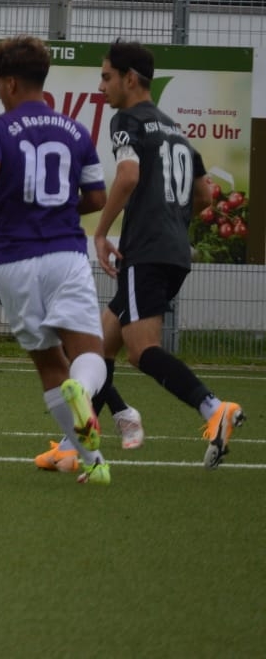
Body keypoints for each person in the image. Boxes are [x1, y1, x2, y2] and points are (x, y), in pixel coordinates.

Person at [0, 35, 112, 485]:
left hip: (11, 260)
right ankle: (83, 394)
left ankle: (92, 461)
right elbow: (97, 197)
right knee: (88, 352)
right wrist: (60, 210)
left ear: (11, 83)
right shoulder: (76, 131)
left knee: (48, 363)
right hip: (64, 253)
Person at [89, 39, 245, 468]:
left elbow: (127, 176)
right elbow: (205, 194)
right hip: (174, 251)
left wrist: (101, 233)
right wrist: (172, 222)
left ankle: (214, 408)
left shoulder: (126, 120)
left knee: (141, 350)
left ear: (129, 79)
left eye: (106, 77)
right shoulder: (174, 129)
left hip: (146, 252)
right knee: (99, 346)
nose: (101, 86)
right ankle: (80, 439)